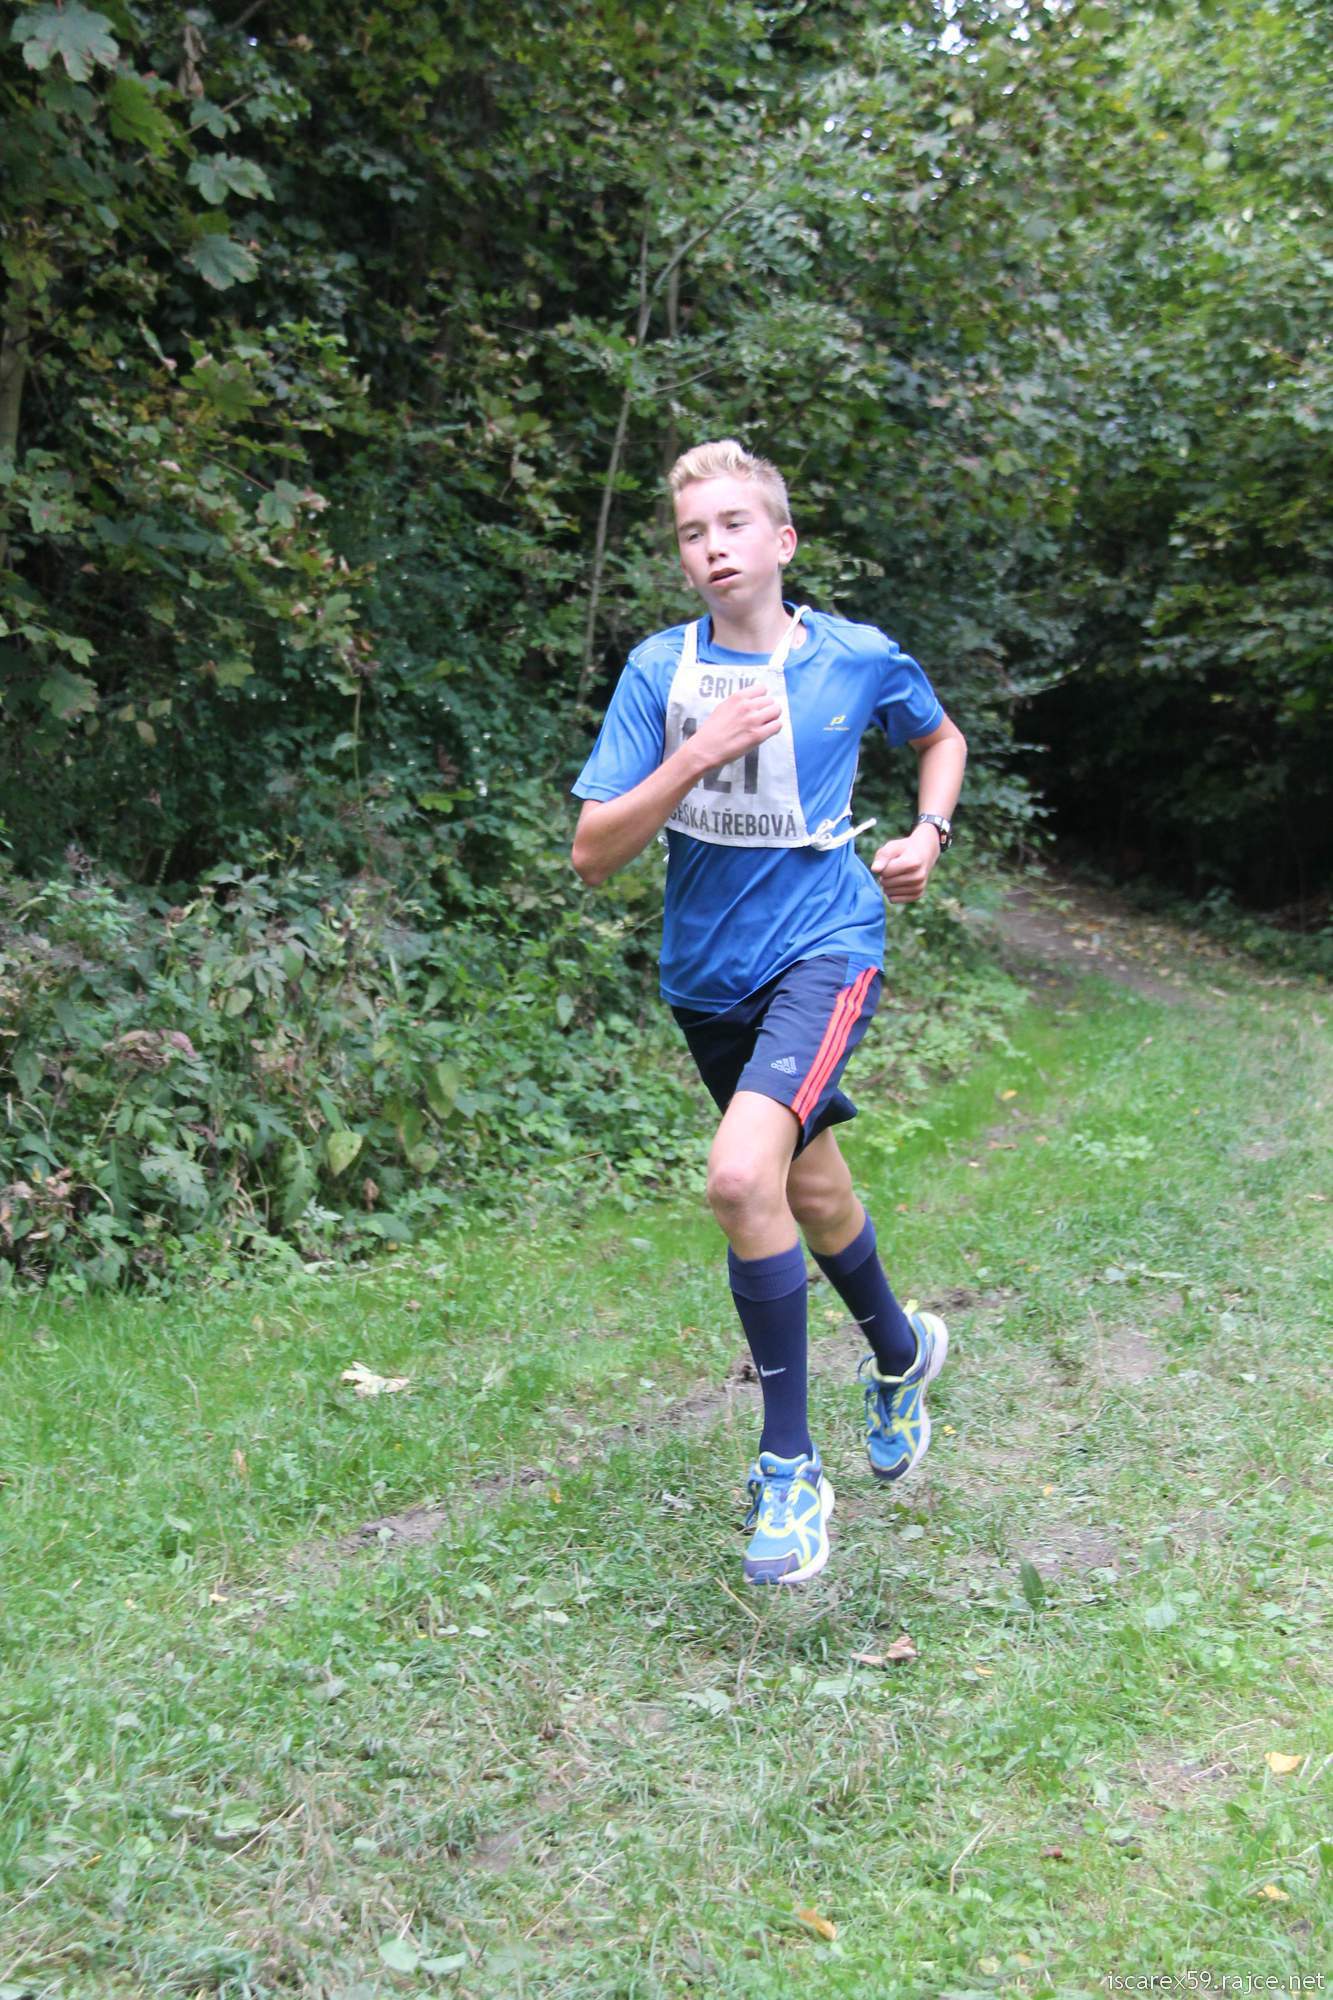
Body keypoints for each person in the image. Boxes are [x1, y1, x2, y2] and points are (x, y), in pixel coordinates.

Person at [570, 438, 967, 1586]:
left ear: (781, 541)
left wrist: (927, 834)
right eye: (692, 533)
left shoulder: (854, 656)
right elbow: (593, 852)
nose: (712, 547)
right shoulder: (659, 672)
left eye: (733, 524)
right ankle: (901, 1350)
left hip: (825, 949)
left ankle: (788, 1465)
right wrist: (691, 756)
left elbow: (937, 737)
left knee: (743, 1176)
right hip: (706, 978)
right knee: (813, 1187)